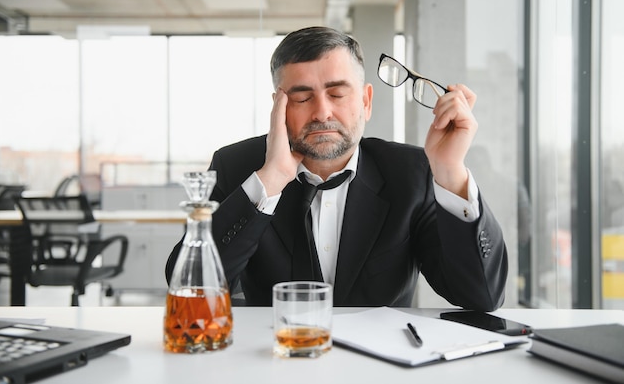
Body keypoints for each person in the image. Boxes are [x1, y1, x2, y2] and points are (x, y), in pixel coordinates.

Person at [166, 26, 508, 310]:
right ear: (279, 108)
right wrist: (269, 182)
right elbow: (191, 287)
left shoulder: (413, 172)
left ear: (366, 101)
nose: (322, 113)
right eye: (302, 98)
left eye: (338, 94)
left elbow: (482, 296)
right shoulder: (236, 166)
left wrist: (450, 171)